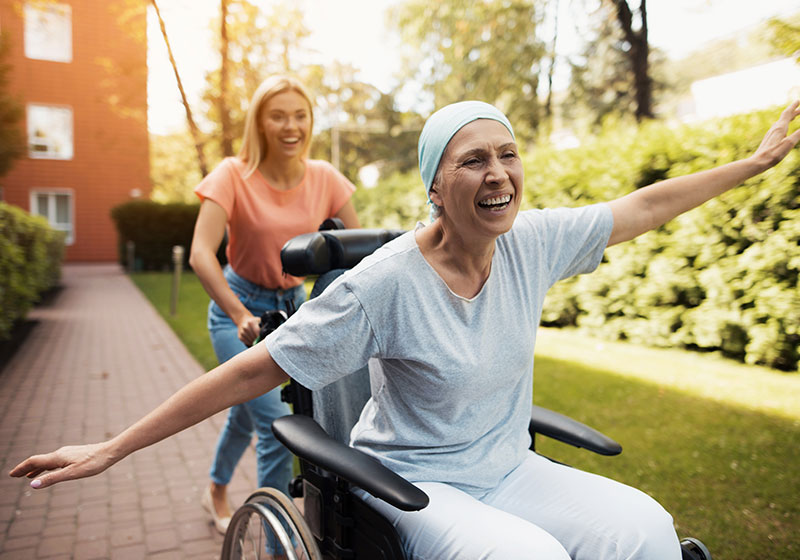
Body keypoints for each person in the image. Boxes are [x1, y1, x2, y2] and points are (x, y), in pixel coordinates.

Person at [10, 100, 799, 559]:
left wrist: (753, 166)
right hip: (415, 486)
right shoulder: (382, 283)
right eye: (472, 162)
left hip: (507, 467)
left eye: (507, 156)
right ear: (434, 186)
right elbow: (253, 373)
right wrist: (111, 449)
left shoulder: (532, 241)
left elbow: (646, 206)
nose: (497, 175)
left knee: (648, 530)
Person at [188, 75, 359, 533]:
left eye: (300, 115)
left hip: (293, 313)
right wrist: (238, 314)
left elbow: (357, 255)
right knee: (277, 426)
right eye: (278, 115)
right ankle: (276, 538)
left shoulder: (324, 177)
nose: (291, 126)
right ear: (260, 123)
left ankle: (216, 491)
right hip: (237, 312)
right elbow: (200, 253)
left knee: (247, 413)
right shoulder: (232, 174)